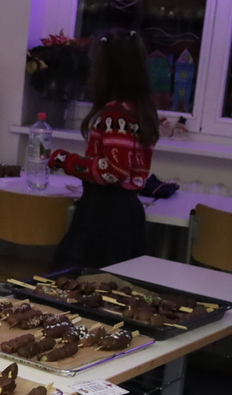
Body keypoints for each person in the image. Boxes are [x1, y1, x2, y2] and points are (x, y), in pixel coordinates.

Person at [49, 29, 160, 269]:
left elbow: (114, 170)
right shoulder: (141, 108)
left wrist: (66, 161)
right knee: (117, 283)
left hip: (105, 214)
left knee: (75, 280)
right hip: (126, 212)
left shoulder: (116, 113)